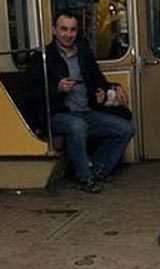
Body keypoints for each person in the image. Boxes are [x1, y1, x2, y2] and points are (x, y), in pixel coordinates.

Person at [24, 11, 135, 193]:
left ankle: (97, 168)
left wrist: (109, 89)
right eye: (64, 29)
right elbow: (32, 94)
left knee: (125, 129)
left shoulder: (84, 54)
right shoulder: (42, 59)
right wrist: (57, 88)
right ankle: (85, 178)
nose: (68, 35)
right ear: (54, 30)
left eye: (73, 30)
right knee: (77, 126)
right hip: (58, 114)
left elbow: (99, 80)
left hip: (87, 111)